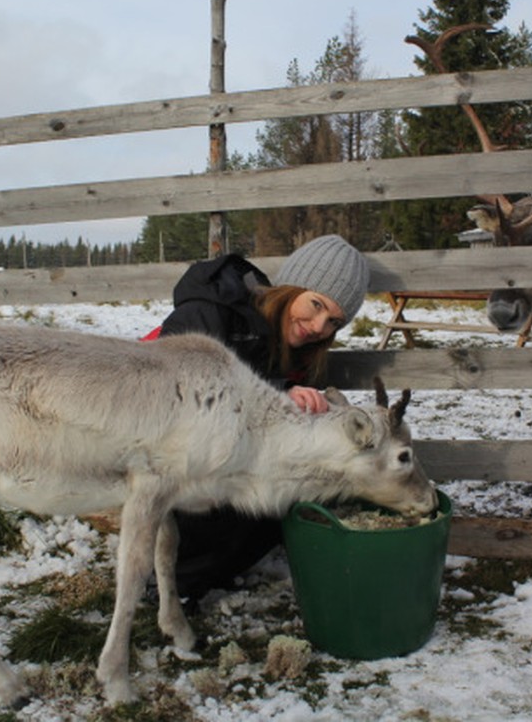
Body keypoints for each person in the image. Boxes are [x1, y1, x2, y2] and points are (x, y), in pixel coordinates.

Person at [152, 234, 371, 601]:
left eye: (334, 321)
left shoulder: (298, 349)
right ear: (290, 287)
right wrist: (277, 394)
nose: (319, 327)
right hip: (160, 443)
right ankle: (170, 585)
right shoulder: (213, 309)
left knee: (290, 498)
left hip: (225, 450)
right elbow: (176, 388)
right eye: (315, 304)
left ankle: (210, 572)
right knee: (230, 502)